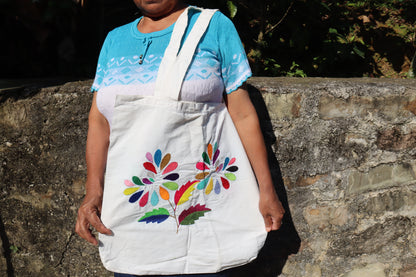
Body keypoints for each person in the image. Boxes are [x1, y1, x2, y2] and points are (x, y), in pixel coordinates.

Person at [75, 1, 285, 276]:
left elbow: (243, 114)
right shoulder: (115, 40)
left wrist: (267, 190)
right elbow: (100, 121)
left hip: (206, 205)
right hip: (130, 211)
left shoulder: (213, 26)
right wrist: (94, 192)